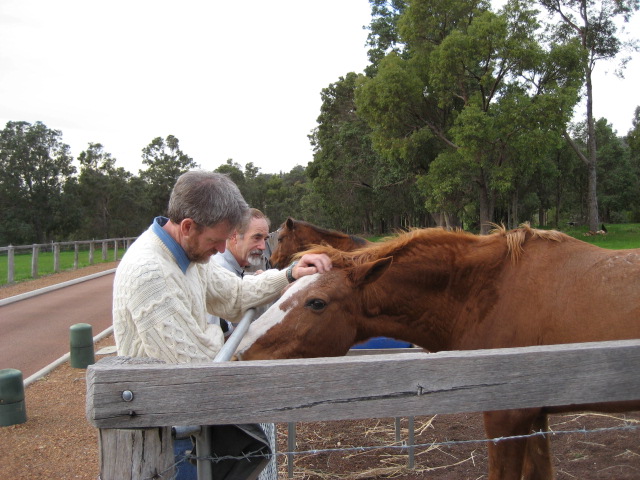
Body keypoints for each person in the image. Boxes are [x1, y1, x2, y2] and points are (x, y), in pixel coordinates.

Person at [112, 170, 331, 479]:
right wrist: (223, 338)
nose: (220, 251)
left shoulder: (188, 257)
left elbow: (234, 295)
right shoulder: (151, 273)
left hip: (189, 425)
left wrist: (290, 274)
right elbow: (191, 367)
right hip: (166, 439)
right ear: (188, 226)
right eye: (216, 241)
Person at [208, 208, 271, 337]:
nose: (263, 246)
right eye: (257, 238)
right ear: (234, 236)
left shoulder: (232, 268)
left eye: (265, 239)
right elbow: (224, 337)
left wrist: (255, 281)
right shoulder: (218, 270)